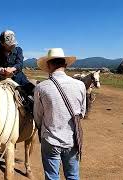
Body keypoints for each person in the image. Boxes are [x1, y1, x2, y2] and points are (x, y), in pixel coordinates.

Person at [34, 48, 86, 180]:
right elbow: (82, 113)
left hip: (50, 140)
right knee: (73, 176)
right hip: (72, 139)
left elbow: (38, 117)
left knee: (52, 176)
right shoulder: (80, 85)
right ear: (65, 64)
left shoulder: (41, 87)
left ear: (49, 65)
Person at [0, 30, 35, 94]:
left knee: (32, 91)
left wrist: (12, 69)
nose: (13, 46)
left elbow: (20, 64)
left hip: (20, 79)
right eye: (10, 45)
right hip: (5, 81)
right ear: (3, 44)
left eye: (13, 44)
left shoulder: (18, 50)